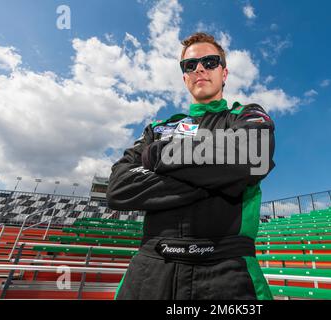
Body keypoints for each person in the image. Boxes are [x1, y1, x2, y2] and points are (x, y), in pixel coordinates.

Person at [107, 32, 275, 300]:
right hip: (148, 272)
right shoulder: (157, 128)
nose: (199, 68)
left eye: (209, 62)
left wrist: (159, 157)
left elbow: (251, 158)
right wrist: (220, 180)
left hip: (227, 271)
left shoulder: (246, 114)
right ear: (184, 76)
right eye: (190, 65)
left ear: (224, 72)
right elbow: (118, 188)